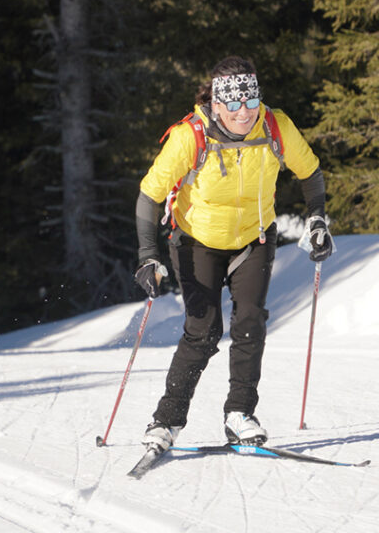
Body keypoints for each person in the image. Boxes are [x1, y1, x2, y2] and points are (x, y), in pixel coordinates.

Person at [133, 55, 334, 451]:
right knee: (203, 329)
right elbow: (149, 194)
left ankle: (239, 413)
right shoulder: (191, 136)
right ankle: (167, 420)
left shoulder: (275, 126)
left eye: (251, 103)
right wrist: (147, 255)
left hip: (253, 238)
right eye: (235, 105)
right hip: (196, 241)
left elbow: (310, 172)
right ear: (217, 103)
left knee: (250, 321)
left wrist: (317, 220)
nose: (245, 113)